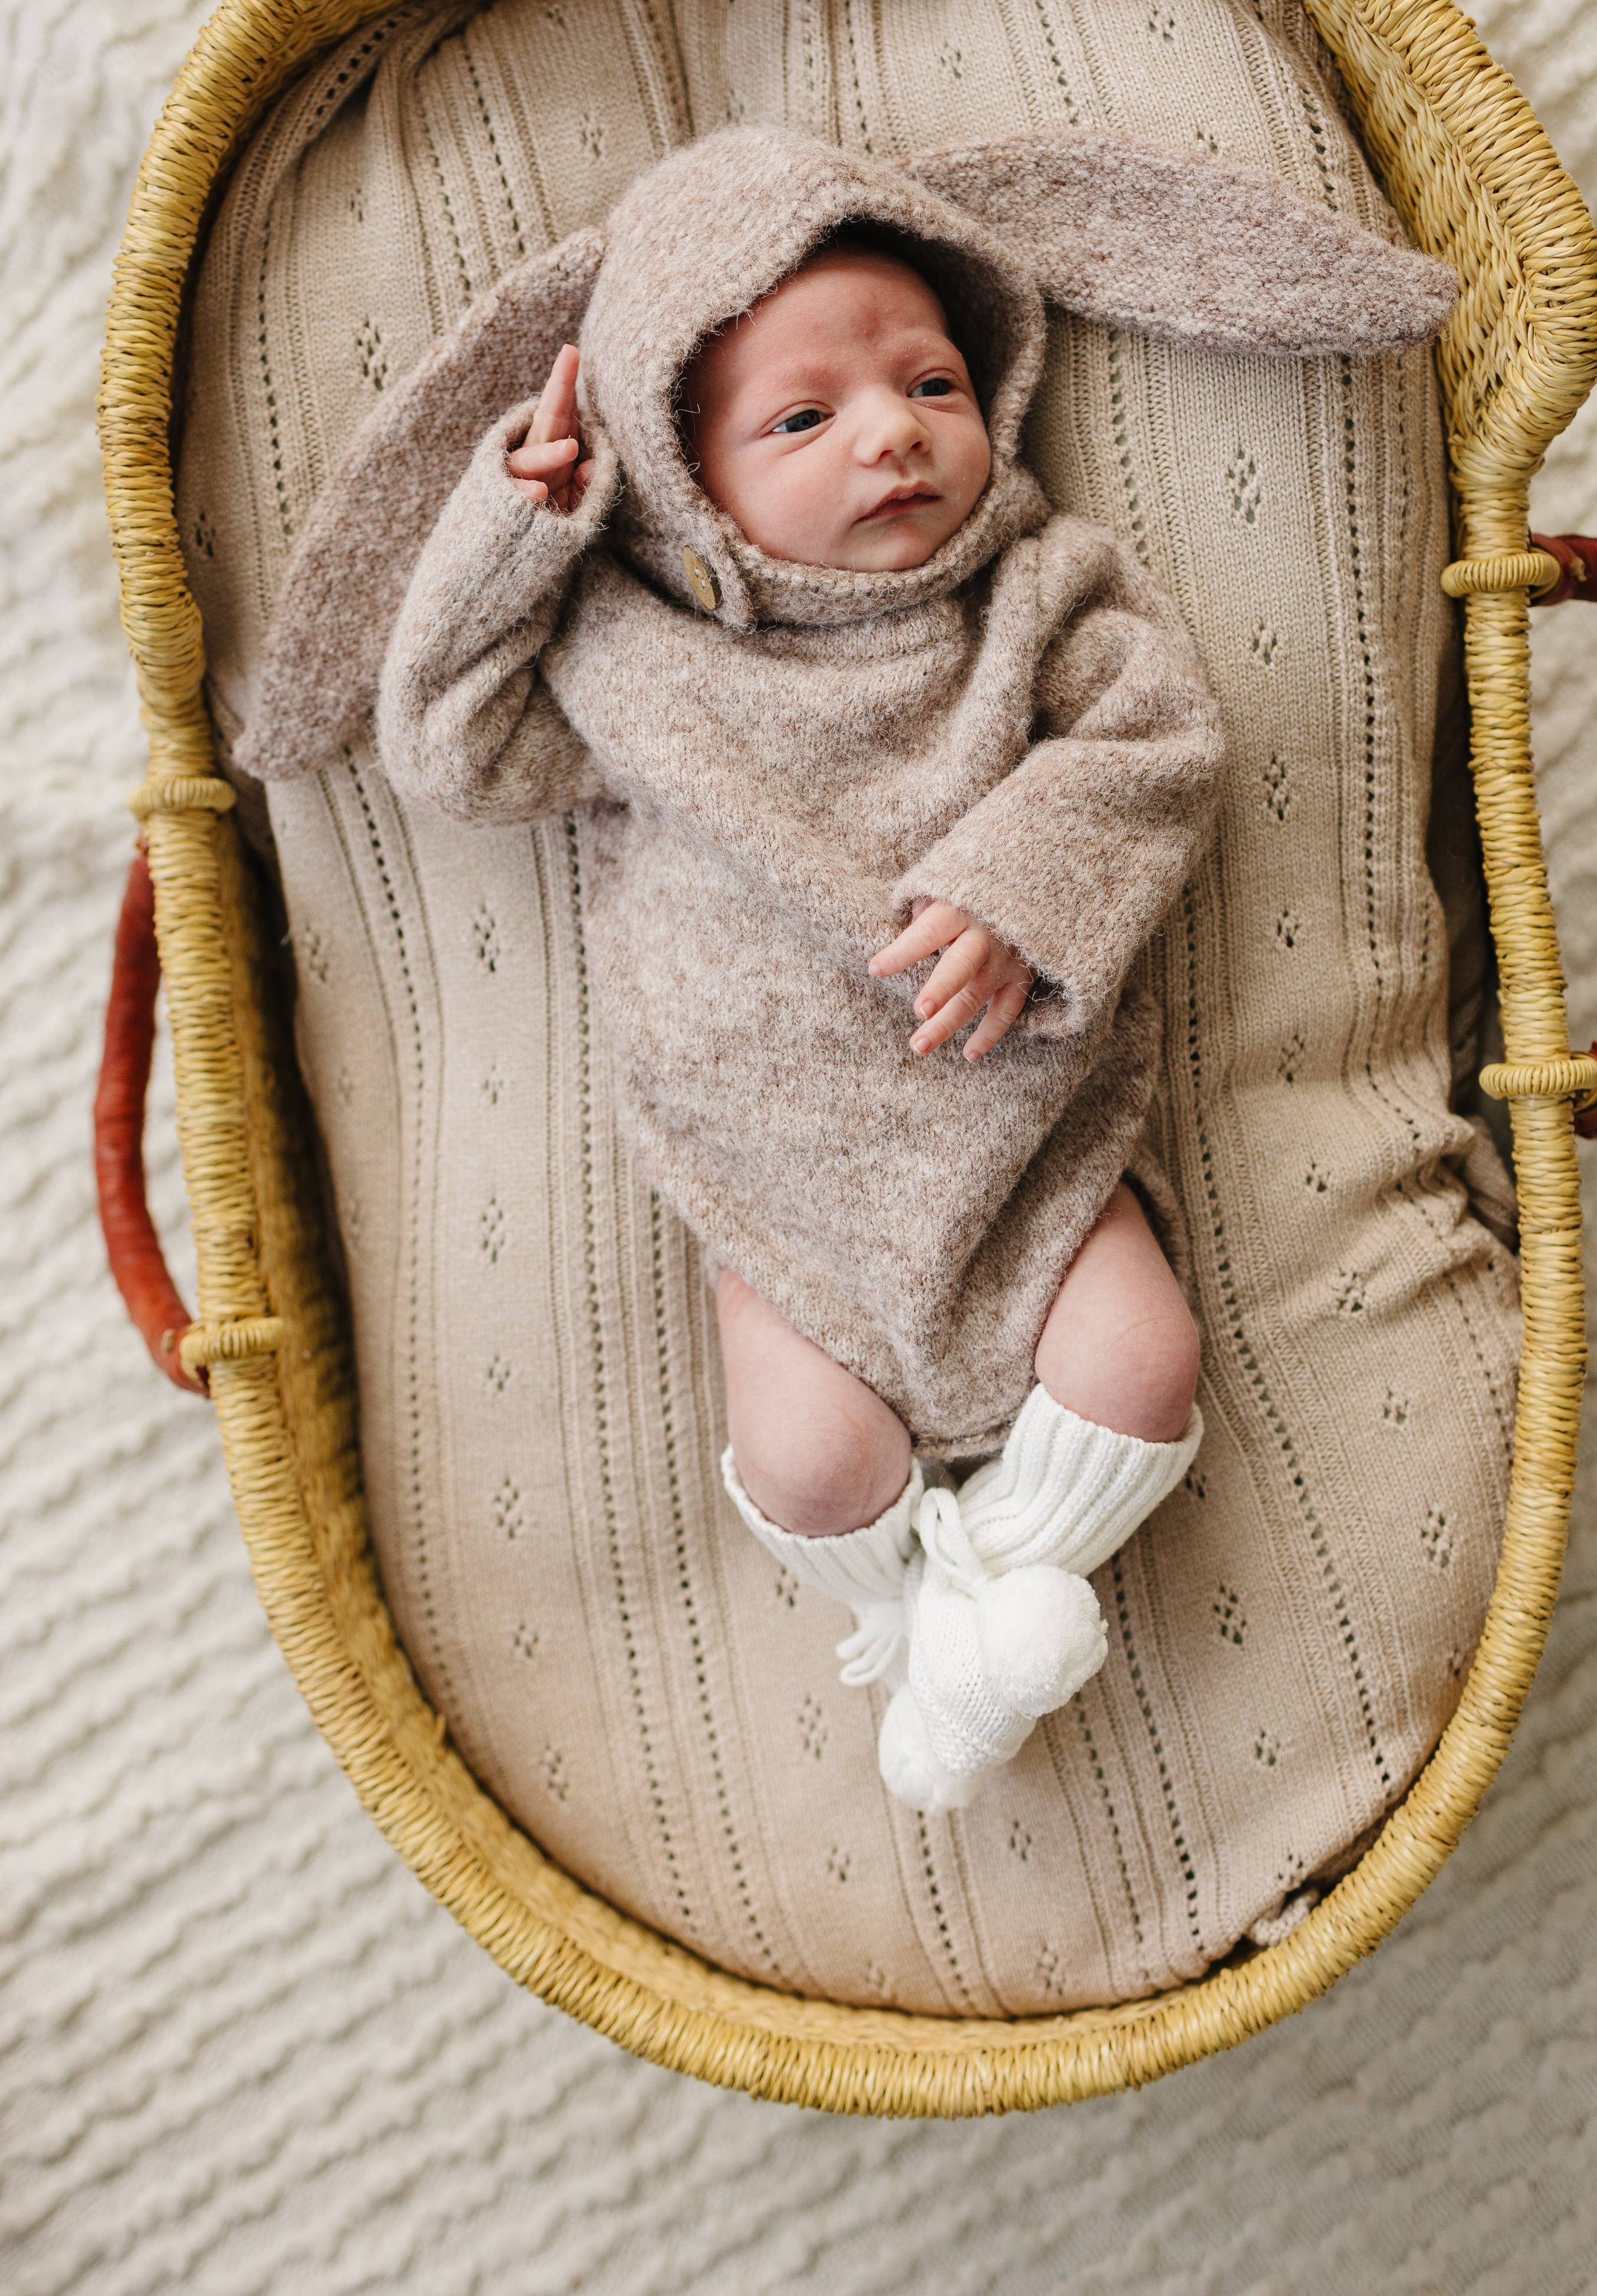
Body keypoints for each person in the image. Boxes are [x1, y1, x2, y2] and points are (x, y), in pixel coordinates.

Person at [243, 122, 1453, 1808]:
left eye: (933, 383)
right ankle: (938, 1621)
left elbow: (1160, 744)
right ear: (678, 465)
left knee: (1140, 1367)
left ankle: (981, 1620)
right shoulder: (631, 653)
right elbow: (446, 747)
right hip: (778, 1185)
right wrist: (514, 532)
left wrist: (1030, 880)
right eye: (805, 418)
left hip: (1017, 1133)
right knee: (812, 1459)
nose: (892, 432)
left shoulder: (1039, 590)